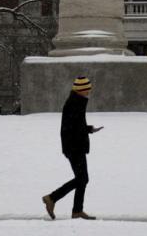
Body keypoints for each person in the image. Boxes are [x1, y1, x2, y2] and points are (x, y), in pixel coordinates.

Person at [42, 75, 103, 220]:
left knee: (82, 178)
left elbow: (76, 126)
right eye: (86, 89)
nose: (88, 92)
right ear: (81, 90)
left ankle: (76, 210)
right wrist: (85, 131)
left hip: (75, 145)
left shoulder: (77, 101)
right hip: (74, 147)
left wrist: (89, 129)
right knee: (82, 178)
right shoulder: (74, 103)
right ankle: (52, 198)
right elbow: (71, 128)